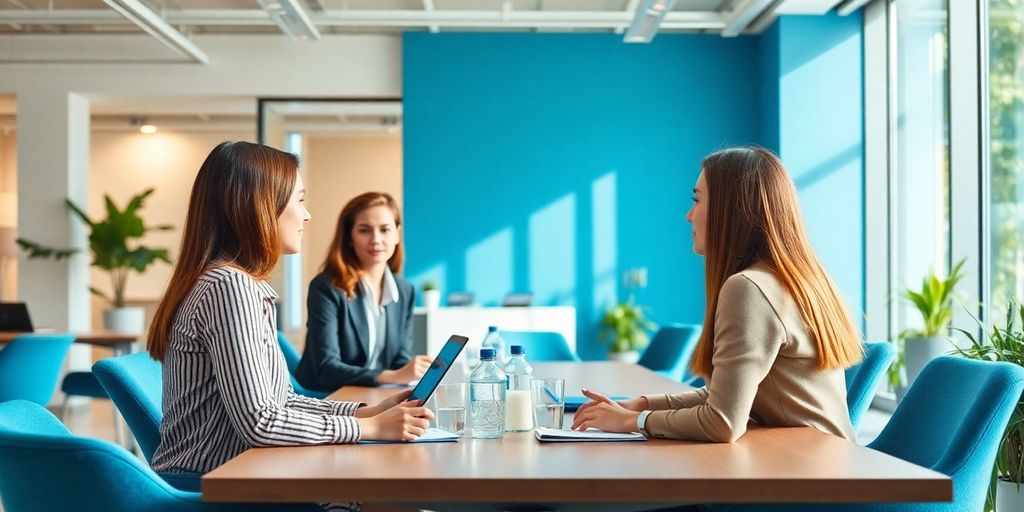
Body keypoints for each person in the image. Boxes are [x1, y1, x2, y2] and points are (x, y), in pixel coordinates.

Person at [146, 142, 434, 508]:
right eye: (299, 200)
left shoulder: (234, 284)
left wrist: (367, 412)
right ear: (259, 207)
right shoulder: (229, 287)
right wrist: (370, 428)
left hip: (244, 468)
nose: (307, 215)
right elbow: (262, 422)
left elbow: (281, 402)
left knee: (388, 487)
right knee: (390, 494)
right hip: (221, 483)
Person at [572, 146, 862, 443]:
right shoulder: (793, 278)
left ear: (731, 210)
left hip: (817, 478)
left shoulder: (750, 288)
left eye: (697, 200)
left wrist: (636, 421)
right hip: (829, 462)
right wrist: (643, 405)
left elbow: (722, 422)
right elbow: (723, 397)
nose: (688, 216)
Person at [295, 192, 430, 392]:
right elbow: (327, 368)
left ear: (397, 234)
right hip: (324, 397)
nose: (376, 239)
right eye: (364, 230)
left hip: (370, 394)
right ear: (349, 237)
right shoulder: (326, 287)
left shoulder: (404, 291)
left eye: (385, 229)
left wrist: (415, 372)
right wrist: (391, 376)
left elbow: (399, 359)